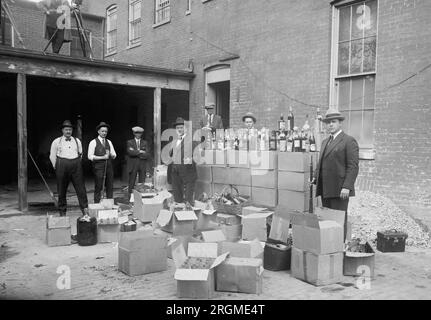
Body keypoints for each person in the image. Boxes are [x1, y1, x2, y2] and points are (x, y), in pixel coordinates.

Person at [312, 110, 359, 240]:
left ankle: (339, 249)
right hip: (326, 189)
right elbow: (321, 162)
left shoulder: (349, 141)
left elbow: (353, 166)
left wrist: (347, 187)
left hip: (340, 190)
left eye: (333, 122)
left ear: (340, 124)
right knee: (328, 221)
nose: (330, 125)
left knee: (339, 221)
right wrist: (316, 177)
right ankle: (329, 248)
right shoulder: (325, 142)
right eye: (328, 123)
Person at [49, 120, 88, 216]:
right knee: (61, 190)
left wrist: (76, 163)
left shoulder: (77, 140)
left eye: (70, 130)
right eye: (66, 130)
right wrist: (57, 167)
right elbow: (52, 156)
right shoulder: (56, 141)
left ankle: (85, 210)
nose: (68, 132)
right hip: (62, 165)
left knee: (81, 189)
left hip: (75, 165)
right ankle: (62, 212)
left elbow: (81, 153)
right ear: (62, 130)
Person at [169, 117, 197, 205]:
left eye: (181, 128)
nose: (179, 130)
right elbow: (171, 155)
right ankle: (179, 214)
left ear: (185, 129)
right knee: (177, 197)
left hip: (187, 172)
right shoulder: (174, 141)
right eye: (177, 128)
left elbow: (197, 156)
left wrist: (190, 160)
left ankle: (189, 216)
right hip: (175, 171)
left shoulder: (191, 140)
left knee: (188, 200)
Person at [87, 122, 117, 203]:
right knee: (99, 186)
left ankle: (109, 204)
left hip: (109, 166)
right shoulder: (93, 142)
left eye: (105, 131)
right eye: (102, 131)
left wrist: (111, 154)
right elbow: (90, 156)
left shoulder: (109, 142)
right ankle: (97, 204)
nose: (104, 133)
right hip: (98, 167)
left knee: (110, 186)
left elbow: (114, 154)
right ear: (98, 132)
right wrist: (102, 157)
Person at [126, 126, 150, 195]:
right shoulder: (130, 142)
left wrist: (135, 152)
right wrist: (140, 151)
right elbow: (130, 152)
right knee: (132, 182)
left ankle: (141, 197)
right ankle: (130, 198)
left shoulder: (145, 142)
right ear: (134, 133)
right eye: (136, 133)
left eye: (140, 133)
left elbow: (147, 154)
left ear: (141, 134)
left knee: (142, 182)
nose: (138, 134)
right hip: (133, 165)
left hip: (142, 164)